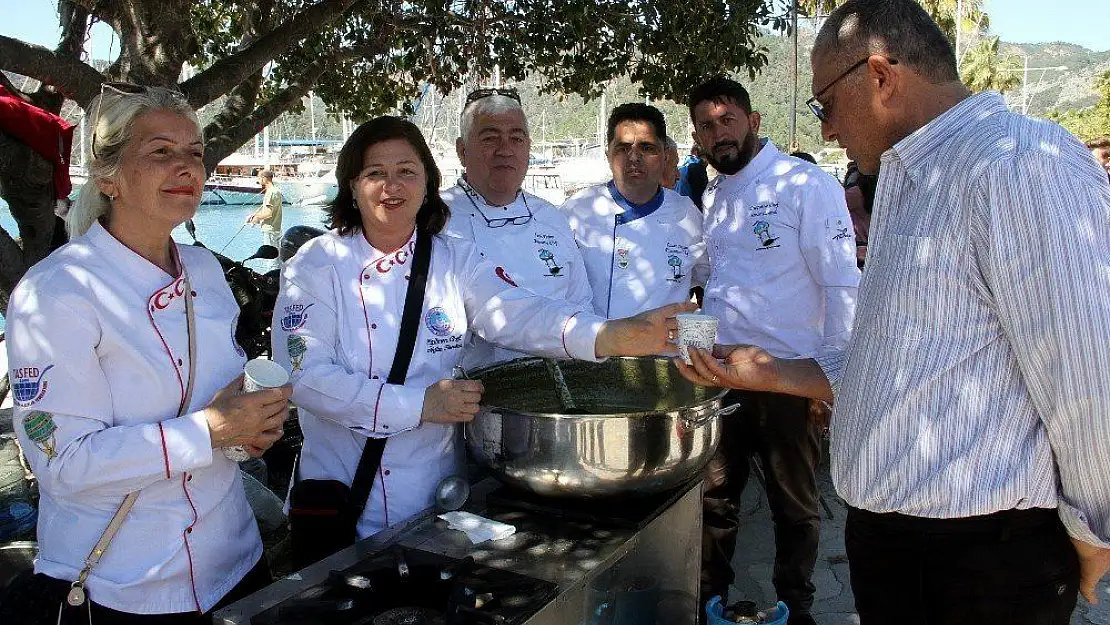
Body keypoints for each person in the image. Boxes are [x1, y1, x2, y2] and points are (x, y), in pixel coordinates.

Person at [678, 1, 1110, 622]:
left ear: (879, 75)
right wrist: (769, 371)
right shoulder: (912, 177)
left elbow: (1085, 368)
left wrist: (1095, 528)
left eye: (825, 105)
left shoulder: (1015, 165)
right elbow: (893, 357)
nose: (825, 131)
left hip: (983, 558)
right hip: (899, 546)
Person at [271, 115, 690, 548]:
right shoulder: (316, 264)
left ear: (427, 185)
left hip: (433, 504)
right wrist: (419, 405)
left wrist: (611, 335)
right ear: (352, 186)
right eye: (376, 173)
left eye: (407, 173)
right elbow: (304, 378)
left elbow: (520, 314)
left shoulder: (455, 258)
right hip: (343, 503)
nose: (392, 186)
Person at [2, 84, 291, 624]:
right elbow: (61, 461)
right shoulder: (57, 293)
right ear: (109, 176)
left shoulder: (205, 270)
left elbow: (222, 405)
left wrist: (249, 432)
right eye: (160, 151)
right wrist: (210, 430)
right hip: (123, 588)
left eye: (195, 153)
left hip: (234, 565)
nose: (185, 167)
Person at [689, 76, 860, 625]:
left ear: (753, 121)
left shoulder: (805, 185)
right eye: (707, 126)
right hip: (725, 378)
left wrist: (829, 381)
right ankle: (710, 600)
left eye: (727, 120)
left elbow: (840, 286)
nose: (719, 134)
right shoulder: (714, 195)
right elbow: (711, 287)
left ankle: (796, 607)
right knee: (715, 500)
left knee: (796, 507)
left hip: (789, 378)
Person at [440, 88, 593, 370]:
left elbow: (580, 303)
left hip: (550, 387)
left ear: (528, 146)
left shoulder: (551, 217)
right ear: (462, 150)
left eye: (516, 138)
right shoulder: (436, 218)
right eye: (490, 138)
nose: (505, 150)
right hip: (467, 392)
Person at [561, 103, 707, 319]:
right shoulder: (576, 212)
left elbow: (711, 283)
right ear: (608, 154)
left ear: (665, 155)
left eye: (647, 148)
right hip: (595, 350)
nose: (634, 158)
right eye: (623, 148)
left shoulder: (686, 214)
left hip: (665, 351)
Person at [246, 169, 283, 271]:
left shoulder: (270, 193)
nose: (259, 180)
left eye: (259, 178)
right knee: (277, 258)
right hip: (276, 228)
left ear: (264, 178)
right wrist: (255, 215)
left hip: (269, 230)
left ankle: (272, 281)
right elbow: (269, 210)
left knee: (271, 259)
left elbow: (268, 213)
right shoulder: (276, 191)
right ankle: (278, 279)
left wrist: (255, 219)